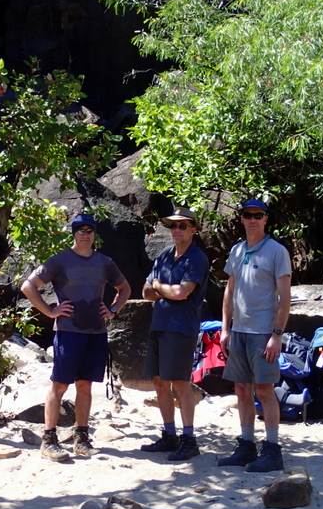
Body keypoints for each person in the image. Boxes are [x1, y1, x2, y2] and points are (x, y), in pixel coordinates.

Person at [21, 214, 131, 461]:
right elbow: (28, 286)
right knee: (59, 385)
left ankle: (81, 439)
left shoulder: (105, 262)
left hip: (96, 332)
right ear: (73, 232)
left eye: (90, 230)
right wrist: (50, 311)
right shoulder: (60, 261)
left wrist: (113, 310)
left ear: (94, 234)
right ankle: (49, 440)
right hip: (68, 333)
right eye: (81, 230)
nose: (85, 234)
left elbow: (125, 288)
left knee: (85, 386)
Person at [218, 199, 292, 472]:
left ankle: (272, 449)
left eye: (258, 215)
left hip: (263, 332)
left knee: (264, 389)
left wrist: (277, 335)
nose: (252, 219)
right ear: (241, 218)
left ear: (265, 219)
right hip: (239, 331)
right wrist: (225, 328)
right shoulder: (237, 250)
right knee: (241, 388)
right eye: (248, 215)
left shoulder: (277, 251)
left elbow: (285, 298)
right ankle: (246, 444)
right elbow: (230, 290)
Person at [140, 207, 209, 461]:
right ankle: (169, 435)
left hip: (181, 328)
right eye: (173, 226)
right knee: (159, 382)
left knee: (180, 383)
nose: (177, 230)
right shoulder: (163, 256)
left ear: (193, 229)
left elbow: (182, 293)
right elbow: (145, 292)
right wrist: (165, 289)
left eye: (182, 226)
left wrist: (159, 286)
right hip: (159, 325)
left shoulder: (197, 258)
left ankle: (189, 439)